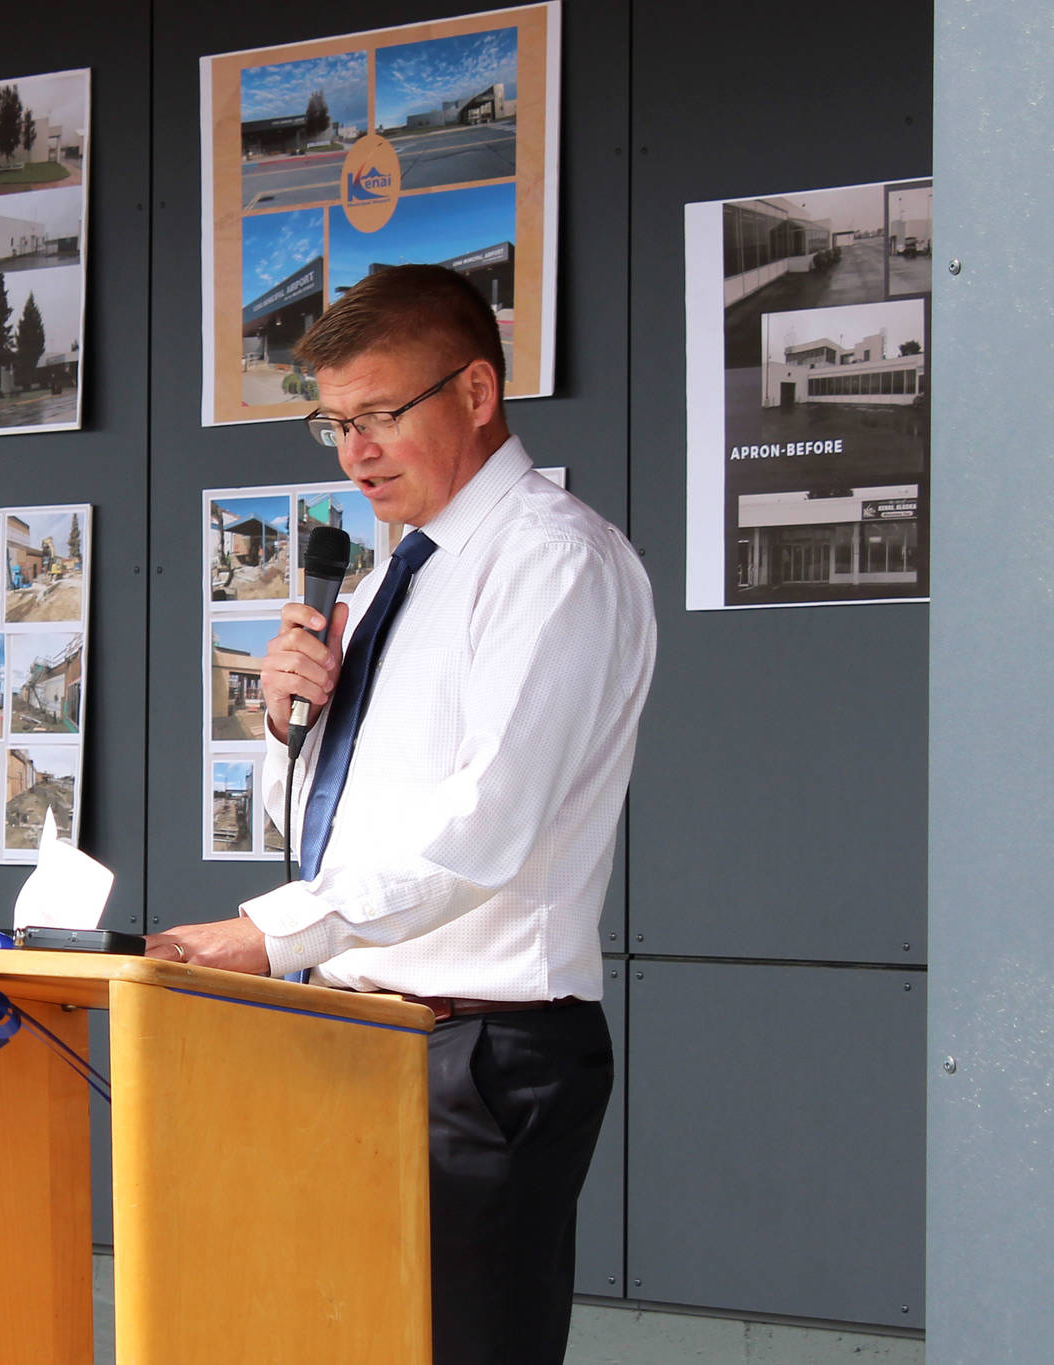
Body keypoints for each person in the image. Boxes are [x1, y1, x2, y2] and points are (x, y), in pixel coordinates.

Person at [147, 265, 656, 1365]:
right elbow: (320, 823)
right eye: (332, 423)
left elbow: (488, 825)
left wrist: (266, 934)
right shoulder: (383, 583)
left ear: (475, 393)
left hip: (480, 1048)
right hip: (352, 1029)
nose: (353, 453)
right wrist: (282, 726)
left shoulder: (549, 562)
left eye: (379, 416)